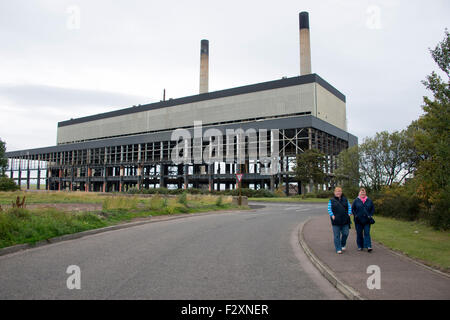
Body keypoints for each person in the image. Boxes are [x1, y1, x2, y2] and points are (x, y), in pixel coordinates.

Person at [328, 186, 352, 254]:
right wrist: (332, 215)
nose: (338, 193)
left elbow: (349, 207)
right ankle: (338, 248)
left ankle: (343, 244)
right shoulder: (331, 200)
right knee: (336, 235)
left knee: (345, 233)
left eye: (339, 191)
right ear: (334, 192)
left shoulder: (345, 199)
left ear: (341, 192)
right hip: (336, 220)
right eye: (337, 191)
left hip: (345, 220)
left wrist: (349, 213)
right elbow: (329, 209)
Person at [352, 187, 375, 252]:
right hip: (358, 220)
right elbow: (353, 209)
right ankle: (360, 246)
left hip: (367, 220)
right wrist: (356, 215)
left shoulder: (369, 200)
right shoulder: (356, 200)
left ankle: (368, 246)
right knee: (359, 233)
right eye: (361, 192)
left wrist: (370, 215)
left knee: (367, 233)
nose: (363, 193)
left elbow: (372, 209)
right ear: (359, 193)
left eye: (364, 192)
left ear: (365, 193)